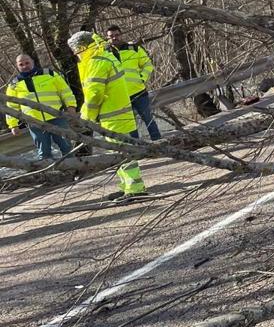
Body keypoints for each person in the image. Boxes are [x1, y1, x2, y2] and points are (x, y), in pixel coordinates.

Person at [68, 30, 147, 198]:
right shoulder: (104, 56)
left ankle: (135, 189)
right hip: (116, 114)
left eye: (76, 51)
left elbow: (94, 94)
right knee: (119, 152)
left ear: (83, 48)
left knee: (122, 152)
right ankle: (128, 187)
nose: (76, 55)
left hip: (113, 115)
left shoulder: (96, 62)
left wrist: (86, 116)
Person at [5, 53, 76, 160]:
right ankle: (51, 175)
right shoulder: (14, 84)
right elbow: (11, 106)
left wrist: (71, 106)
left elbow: (65, 92)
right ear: (17, 66)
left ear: (32, 62)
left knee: (66, 147)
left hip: (56, 117)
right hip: (34, 122)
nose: (25, 66)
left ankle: (75, 171)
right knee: (44, 152)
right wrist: (13, 125)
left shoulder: (50, 74)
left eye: (27, 62)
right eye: (21, 64)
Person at [104, 25, 161, 140]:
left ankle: (159, 142)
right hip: (121, 96)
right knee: (130, 124)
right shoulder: (105, 53)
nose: (114, 38)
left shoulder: (133, 48)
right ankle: (137, 148)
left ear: (121, 35)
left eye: (117, 35)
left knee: (148, 119)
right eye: (111, 36)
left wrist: (142, 78)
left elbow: (147, 64)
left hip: (138, 91)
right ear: (107, 38)